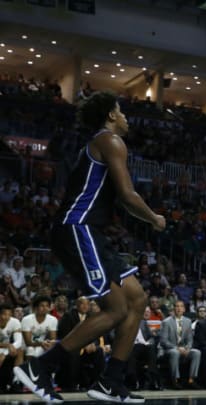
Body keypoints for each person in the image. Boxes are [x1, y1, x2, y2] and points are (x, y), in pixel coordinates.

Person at [14, 91, 165, 403]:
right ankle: (40, 367)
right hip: (76, 227)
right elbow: (126, 194)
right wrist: (154, 218)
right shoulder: (110, 140)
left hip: (91, 231)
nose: (125, 117)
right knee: (116, 308)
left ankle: (110, 382)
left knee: (137, 299)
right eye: (121, 111)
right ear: (111, 115)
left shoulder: (105, 142)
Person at [160, 301, 200, 390]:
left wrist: (187, 348)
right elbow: (163, 341)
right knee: (175, 353)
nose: (179, 308)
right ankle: (175, 380)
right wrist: (177, 348)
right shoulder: (166, 322)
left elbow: (190, 339)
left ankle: (191, 380)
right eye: (177, 306)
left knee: (196, 352)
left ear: (184, 309)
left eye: (181, 306)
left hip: (184, 349)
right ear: (174, 309)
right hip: (170, 349)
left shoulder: (188, 321)